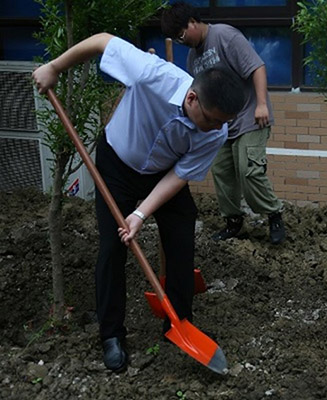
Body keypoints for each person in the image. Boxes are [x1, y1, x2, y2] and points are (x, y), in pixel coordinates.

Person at [32, 32, 245, 372]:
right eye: (212, 119)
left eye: (223, 123)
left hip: (162, 173)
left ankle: (178, 321)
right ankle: (112, 335)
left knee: (181, 232)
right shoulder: (152, 73)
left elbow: (179, 176)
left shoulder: (215, 131)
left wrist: (142, 213)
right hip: (117, 162)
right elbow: (102, 40)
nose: (216, 129)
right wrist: (55, 67)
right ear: (191, 98)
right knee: (112, 247)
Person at [161, 2, 286, 245]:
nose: (181, 41)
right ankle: (233, 222)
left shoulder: (224, 36)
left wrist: (261, 104)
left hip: (250, 116)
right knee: (222, 172)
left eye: (181, 34)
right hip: (220, 126)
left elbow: (257, 67)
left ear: (193, 21)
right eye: (175, 39)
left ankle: (274, 215)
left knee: (248, 170)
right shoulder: (192, 58)